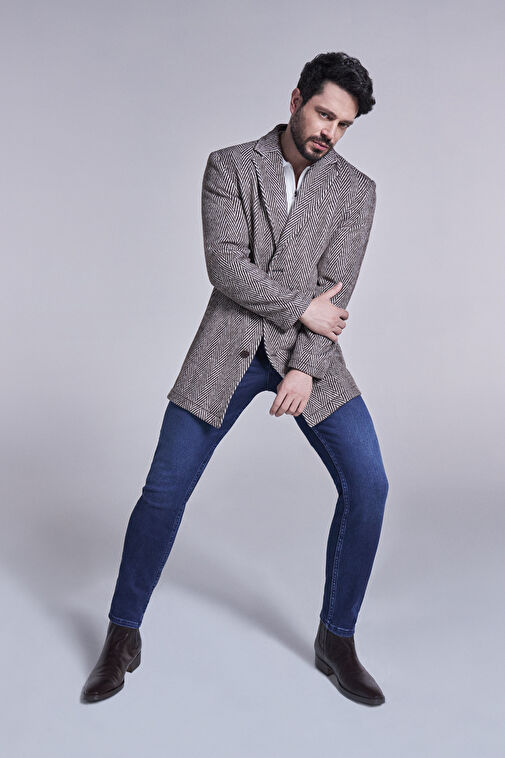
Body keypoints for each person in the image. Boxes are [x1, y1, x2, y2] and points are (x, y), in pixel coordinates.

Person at [81, 51, 389, 707]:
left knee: (369, 484)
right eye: (323, 114)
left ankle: (336, 638)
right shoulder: (229, 165)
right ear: (295, 99)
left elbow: (336, 293)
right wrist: (302, 306)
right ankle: (122, 634)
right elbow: (225, 266)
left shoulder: (355, 190)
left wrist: (304, 366)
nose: (329, 132)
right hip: (227, 347)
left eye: (343, 125)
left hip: (309, 356)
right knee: (162, 493)